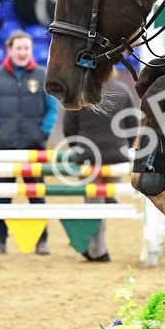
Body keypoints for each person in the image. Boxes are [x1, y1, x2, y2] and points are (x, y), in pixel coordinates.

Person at [0, 30, 59, 254]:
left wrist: (42, 133)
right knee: (2, 196)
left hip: (33, 147)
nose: (23, 52)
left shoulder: (42, 74)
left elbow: (52, 108)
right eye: (19, 48)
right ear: (10, 50)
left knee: (36, 195)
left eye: (27, 48)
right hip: (4, 147)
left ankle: (42, 241)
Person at [62, 68, 136, 262]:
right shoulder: (122, 89)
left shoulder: (79, 92)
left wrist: (78, 147)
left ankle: (98, 250)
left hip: (89, 157)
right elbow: (133, 122)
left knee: (93, 205)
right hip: (116, 155)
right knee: (104, 197)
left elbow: (68, 127)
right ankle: (111, 197)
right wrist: (124, 146)